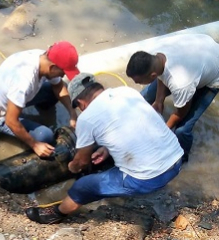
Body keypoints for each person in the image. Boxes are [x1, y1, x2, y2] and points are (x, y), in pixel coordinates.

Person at [25, 72, 183, 224]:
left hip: (149, 178)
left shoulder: (86, 119)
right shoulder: (127, 92)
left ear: (80, 102)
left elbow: (81, 161)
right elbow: (133, 126)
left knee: (84, 185)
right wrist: (107, 150)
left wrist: (72, 167)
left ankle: (56, 214)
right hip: (176, 159)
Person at [126, 34, 219, 162]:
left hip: (213, 75)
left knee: (182, 129)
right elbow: (161, 74)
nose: (137, 84)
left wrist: (163, 130)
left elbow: (180, 113)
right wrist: (159, 100)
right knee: (145, 97)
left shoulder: (180, 83)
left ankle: (182, 157)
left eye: (138, 81)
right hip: (199, 50)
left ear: (152, 75)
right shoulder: (155, 53)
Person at [0, 41, 80, 157]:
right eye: (62, 72)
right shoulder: (24, 81)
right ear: (52, 67)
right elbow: (10, 121)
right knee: (45, 136)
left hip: (13, 98)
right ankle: (28, 129)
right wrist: (35, 145)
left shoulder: (42, 58)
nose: (63, 75)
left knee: (56, 90)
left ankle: (33, 110)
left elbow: (58, 86)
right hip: (0, 115)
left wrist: (72, 113)